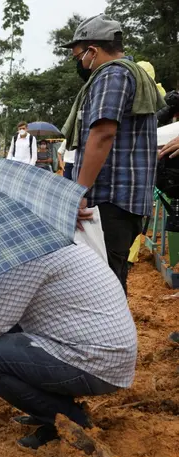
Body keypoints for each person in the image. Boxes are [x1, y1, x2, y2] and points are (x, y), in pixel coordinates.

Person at [0, 244, 137, 449]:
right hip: (105, 356)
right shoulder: (40, 244)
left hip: (95, 363)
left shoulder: (21, 260)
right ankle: (51, 407)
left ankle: (69, 419)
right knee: (9, 331)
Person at [61, 14, 163, 293]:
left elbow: (103, 133)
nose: (79, 63)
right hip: (124, 202)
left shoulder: (112, 75)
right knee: (110, 281)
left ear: (92, 51)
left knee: (100, 288)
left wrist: (79, 191)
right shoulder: (133, 74)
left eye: (79, 56)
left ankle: (107, 337)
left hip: (110, 201)